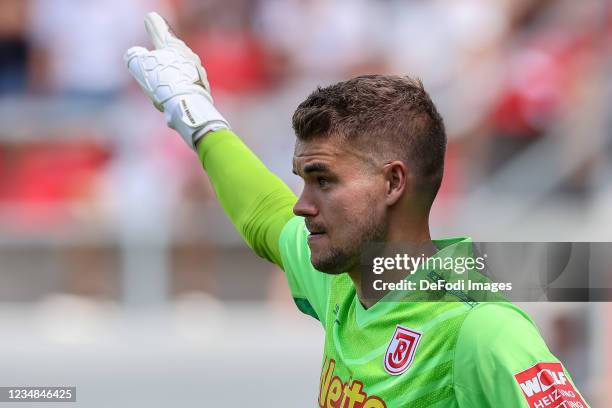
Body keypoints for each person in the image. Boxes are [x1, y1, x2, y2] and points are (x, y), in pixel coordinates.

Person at [124, 12, 590, 407]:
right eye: (304, 180)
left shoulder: (479, 328)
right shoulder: (342, 279)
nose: (303, 206)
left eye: (324, 181)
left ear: (392, 183)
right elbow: (265, 214)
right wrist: (195, 114)